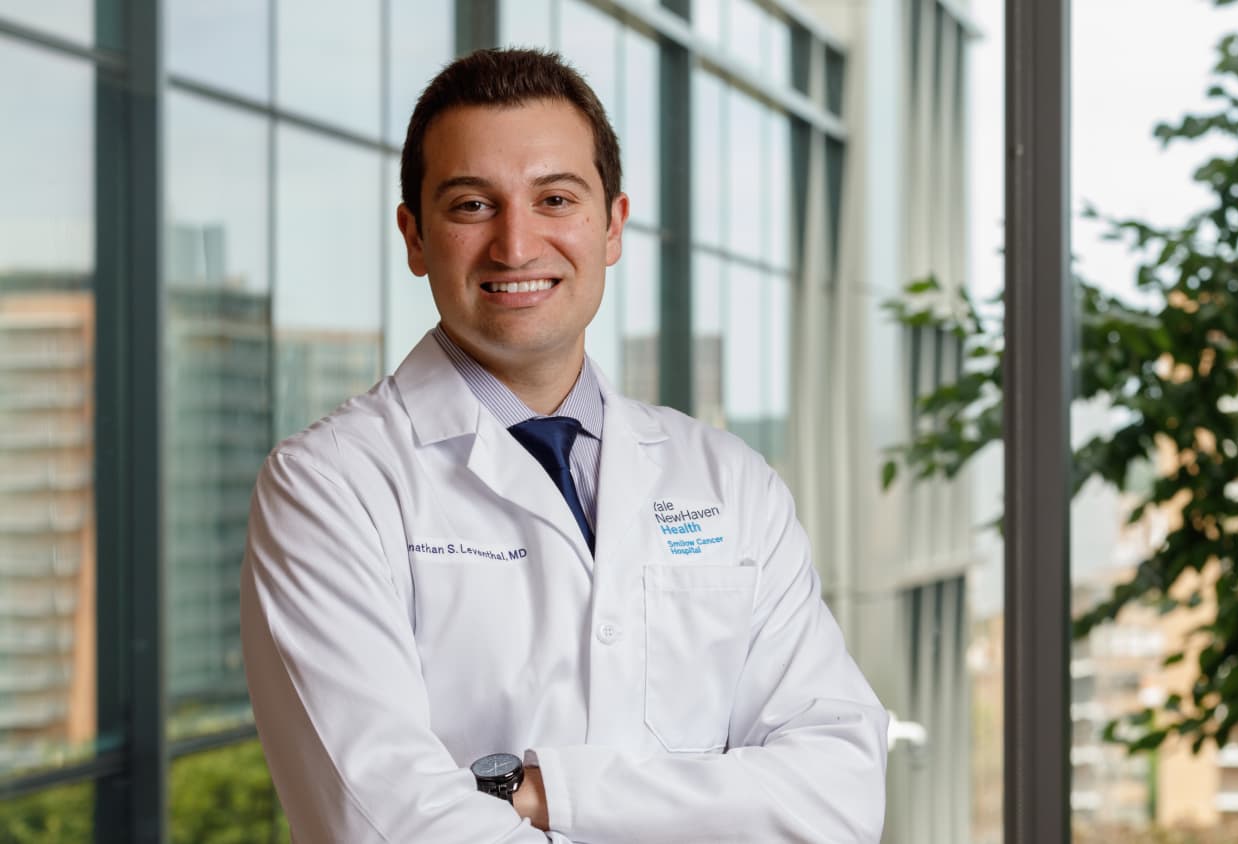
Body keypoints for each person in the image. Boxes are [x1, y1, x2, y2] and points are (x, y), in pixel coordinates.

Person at [239, 48, 888, 843]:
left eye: (555, 198)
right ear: (414, 238)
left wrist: (547, 794)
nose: (516, 245)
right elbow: (391, 826)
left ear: (612, 225)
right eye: (472, 205)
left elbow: (838, 793)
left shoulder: (731, 483)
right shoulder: (329, 489)